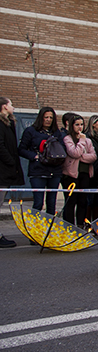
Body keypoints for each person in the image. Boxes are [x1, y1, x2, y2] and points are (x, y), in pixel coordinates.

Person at [18, 107, 65, 214]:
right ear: (41, 118)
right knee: (38, 202)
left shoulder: (56, 132)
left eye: (51, 118)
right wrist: (35, 156)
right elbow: (21, 149)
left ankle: (49, 227)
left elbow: (62, 148)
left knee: (51, 203)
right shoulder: (31, 131)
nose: (48, 120)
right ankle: (35, 226)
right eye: (46, 117)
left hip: (55, 170)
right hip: (38, 171)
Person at [61, 115, 96, 226]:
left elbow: (93, 156)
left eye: (81, 124)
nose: (80, 127)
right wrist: (81, 141)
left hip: (84, 173)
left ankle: (81, 224)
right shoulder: (68, 138)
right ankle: (69, 225)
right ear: (72, 126)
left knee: (82, 201)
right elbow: (74, 152)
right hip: (71, 174)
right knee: (71, 201)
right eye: (77, 125)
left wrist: (81, 157)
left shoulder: (88, 140)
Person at [0, 97, 23, 247]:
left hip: (7, 170)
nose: (13, 107)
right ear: (4, 107)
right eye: (11, 104)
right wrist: (10, 161)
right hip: (2, 170)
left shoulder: (9, 124)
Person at [84, 115, 98, 219]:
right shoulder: (87, 138)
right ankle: (87, 223)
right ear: (93, 124)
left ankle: (95, 225)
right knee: (89, 200)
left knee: (96, 201)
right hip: (90, 173)